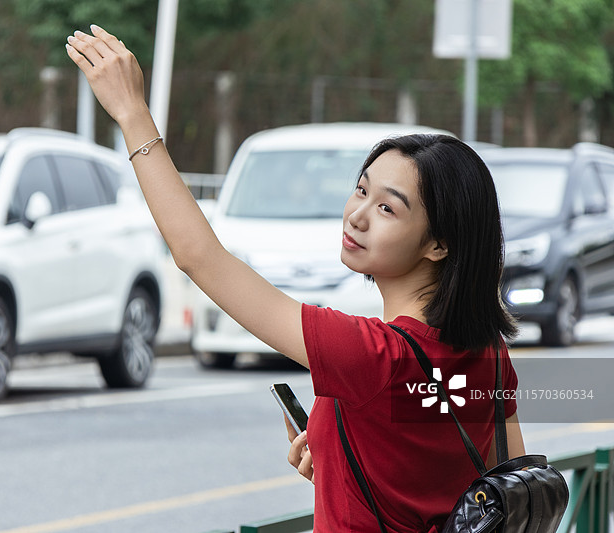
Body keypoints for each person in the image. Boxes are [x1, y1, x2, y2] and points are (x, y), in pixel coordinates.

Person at [66, 26, 526, 533]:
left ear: (439, 244)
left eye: (388, 208)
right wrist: (342, 456)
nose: (357, 216)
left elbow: (199, 257)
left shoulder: (369, 355)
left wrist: (133, 114)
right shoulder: (487, 354)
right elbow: (497, 489)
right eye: (361, 190)